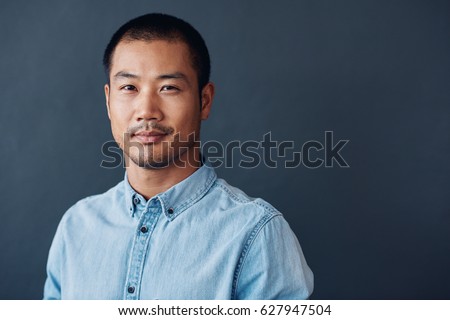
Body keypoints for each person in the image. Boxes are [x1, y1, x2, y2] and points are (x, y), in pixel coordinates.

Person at [43, 13, 313, 300]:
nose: (146, 110)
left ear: (204, 101)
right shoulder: (76, 228)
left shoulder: (256, 233)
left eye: (168, 88)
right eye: (129, 88)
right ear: (109, 101)